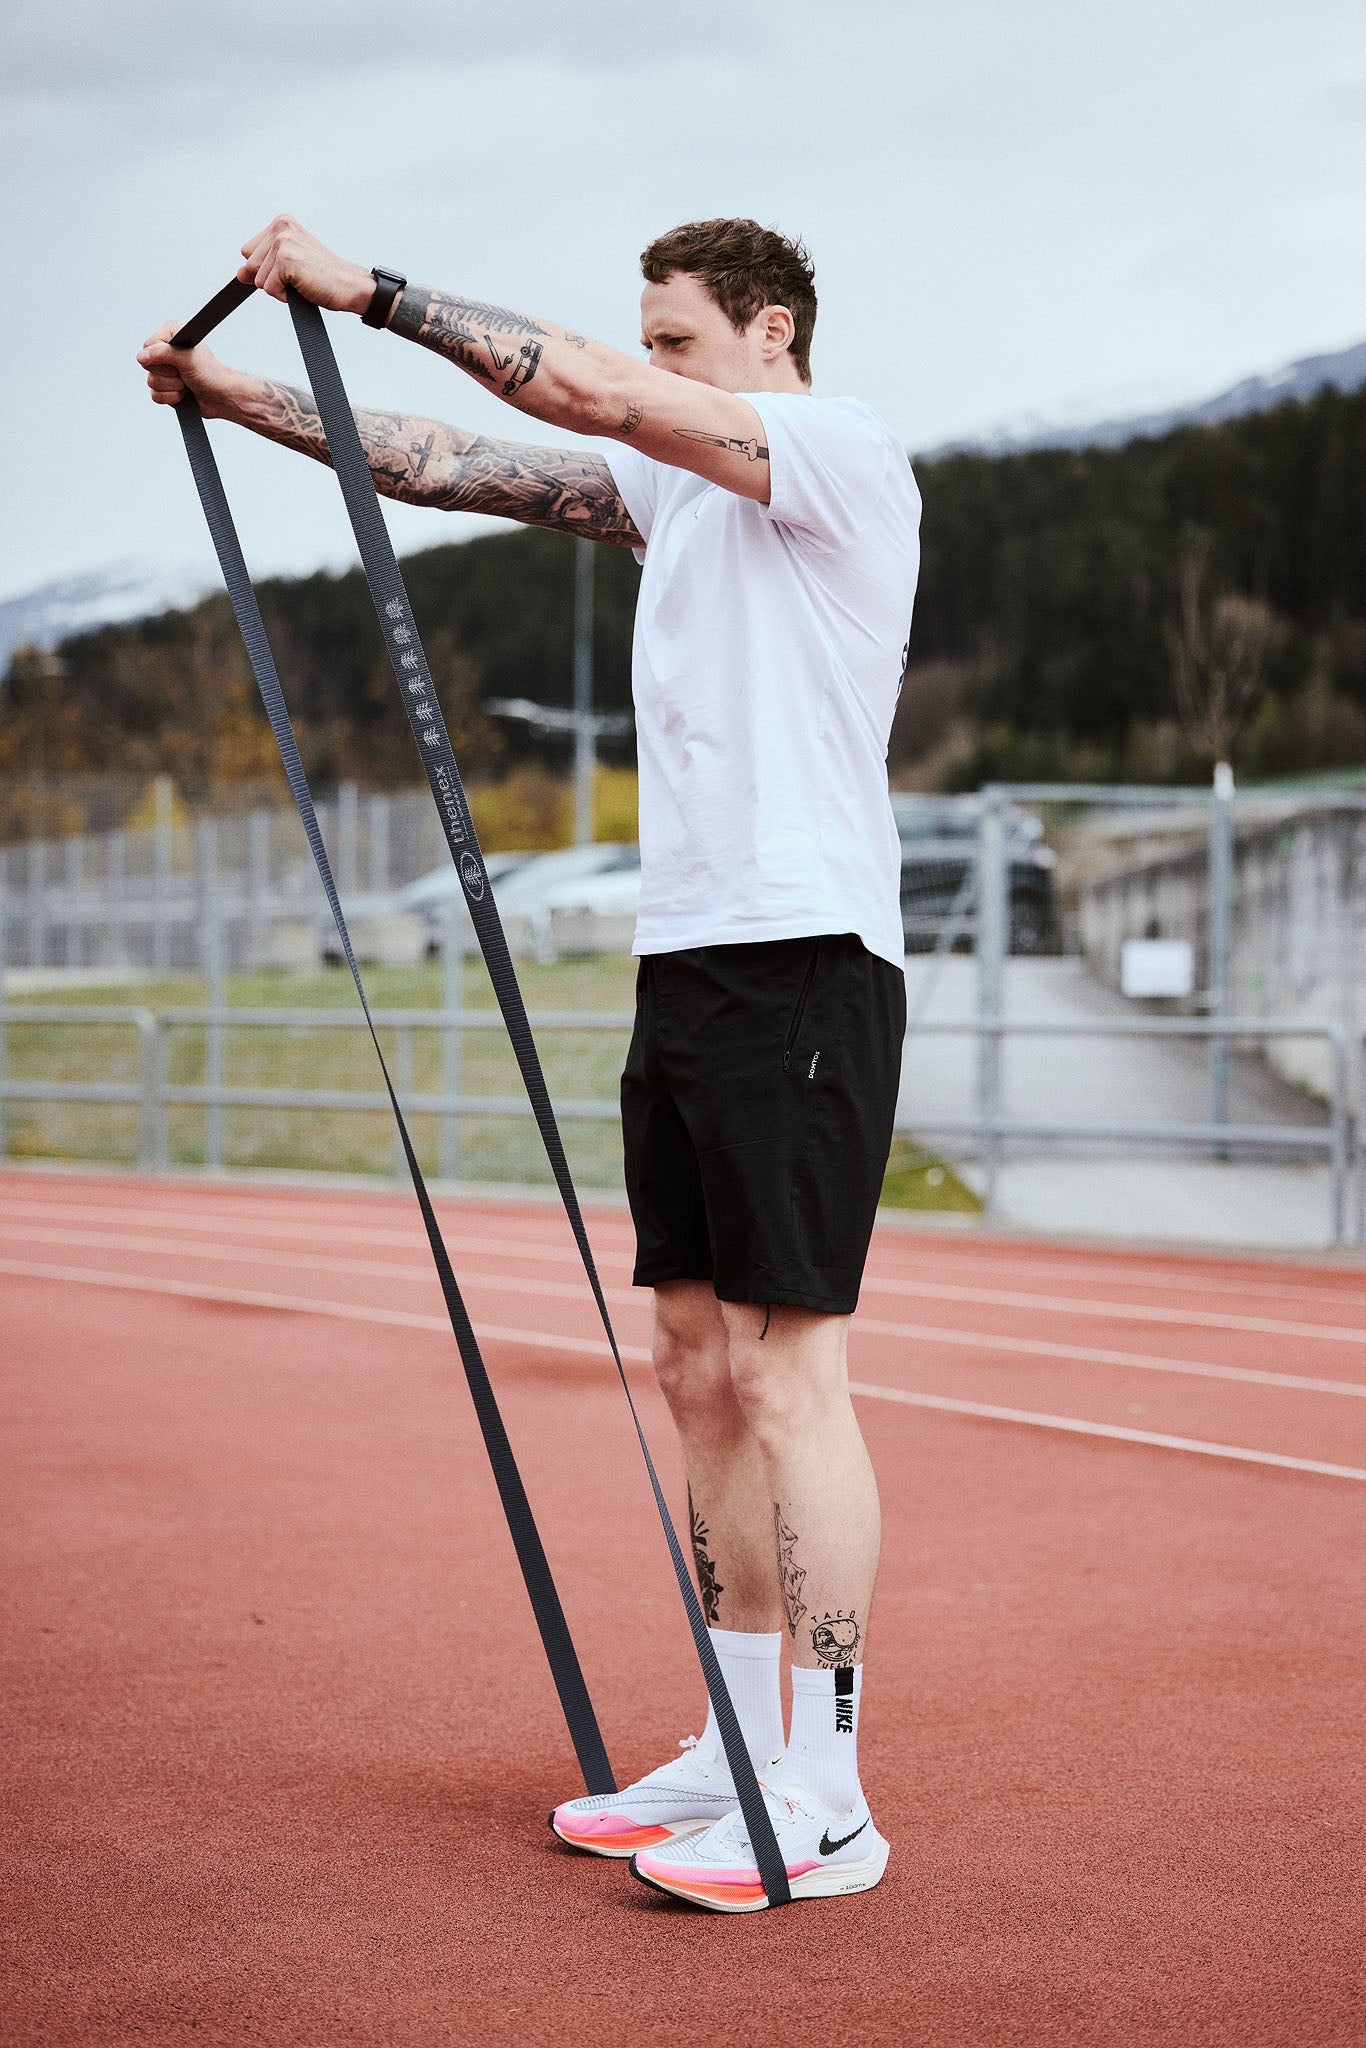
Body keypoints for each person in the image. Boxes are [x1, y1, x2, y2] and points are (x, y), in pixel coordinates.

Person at [139, 214, 920, 1914]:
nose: (652, 364)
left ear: (771, 334)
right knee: (698, 1367)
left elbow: (578, 390)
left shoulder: (835, 456)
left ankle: (831, 1791)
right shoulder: (666, 494)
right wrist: (235, 387)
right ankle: (731, 1744)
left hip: (806, 956)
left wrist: (380, 291)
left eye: (681, 338)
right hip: (692, 960)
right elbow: (457, 465)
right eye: (649, 336)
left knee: (793, 1377)